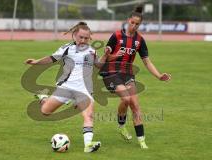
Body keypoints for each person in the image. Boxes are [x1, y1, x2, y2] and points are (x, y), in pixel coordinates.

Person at [25, 22, 107, 153]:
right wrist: (36, 62)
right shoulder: (67, 48)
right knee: (45, 112)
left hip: (83, 90)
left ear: (90, 38)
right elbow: (51, 58)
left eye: (86, 38)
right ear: (74, 35)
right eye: (81, 37)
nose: (83, 40)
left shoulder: (92, 51)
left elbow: (98, 65)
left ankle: (88, 145)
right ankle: (44, 98)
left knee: (89, 116)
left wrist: (106, 55)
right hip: (66, 88)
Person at [100, 6, 171, 149]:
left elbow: (147, 61)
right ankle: (121, 126)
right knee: (125, 98)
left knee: (135, 105)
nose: (134, 26)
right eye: (132, 22)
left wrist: (158, 75)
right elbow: (106, 58)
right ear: (128, 20)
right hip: (111, 73)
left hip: (127, 74)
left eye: (137, 24)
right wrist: (113, 54)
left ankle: (142, 141)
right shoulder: (116, 36)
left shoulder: (139, 40)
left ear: (140, 24)